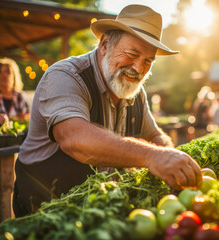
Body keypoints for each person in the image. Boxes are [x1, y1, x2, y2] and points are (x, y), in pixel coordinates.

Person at [13, 4, 202, 217]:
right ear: (104, 44)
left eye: (148, 61)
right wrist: (152, 156)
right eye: (132, 54)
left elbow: (154, 135)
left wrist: (170, 156)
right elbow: (73, 138)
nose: (139, 68)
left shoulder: (135, 92)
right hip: (46, 212)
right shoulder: (65, 76)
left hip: (99, 213)